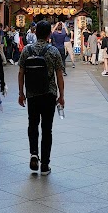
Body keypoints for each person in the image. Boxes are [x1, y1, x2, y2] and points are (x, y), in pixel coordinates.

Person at [18, 20, 64, 176]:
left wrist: (21, 93)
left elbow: (21, 72)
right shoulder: (54, 51)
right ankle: (45, 165)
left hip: (32, 94)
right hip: (49, 94)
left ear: (35, 33)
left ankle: (33, 154)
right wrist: (62, 96)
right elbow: (59, 75)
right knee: (47, 129)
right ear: (49, 34)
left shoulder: (27, 50)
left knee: (32, 125)